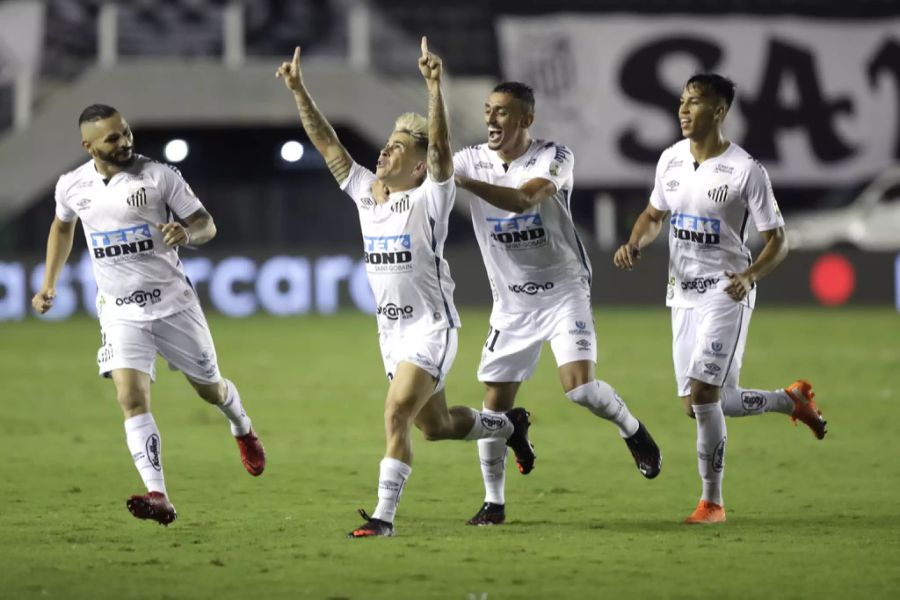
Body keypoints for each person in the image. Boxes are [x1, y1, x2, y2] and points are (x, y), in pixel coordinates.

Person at [276, 39, 536, 538]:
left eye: (397, 147)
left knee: (396, 412)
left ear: (418, 166)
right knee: (435, 427)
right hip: (391, 336)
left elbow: (440, 151)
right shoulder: (364, 195)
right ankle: (507, 426)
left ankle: (383, 519)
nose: (385, 149)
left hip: (430, 329)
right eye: (387, 143)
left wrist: (434, 86)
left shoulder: (430, 197)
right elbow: (328, 142)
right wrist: (298, 90)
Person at [32, 104, 266, 526]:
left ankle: (242, 426)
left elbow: (206, 224)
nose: (124, 142)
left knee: (210, 390)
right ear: (88, 146)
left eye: (125, 133)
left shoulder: (160, 176)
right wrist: (50, 282)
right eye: (112, 138)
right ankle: (158, 494)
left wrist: (187, 233)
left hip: (174, 305)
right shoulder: (72, 186)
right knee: (130, 397)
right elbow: (62, 226)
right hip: (119, 310)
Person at [614, 73, 827, 525]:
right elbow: (654, 214)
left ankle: (712, 503)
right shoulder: (670, 160)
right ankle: (789, 401)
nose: (684, 110)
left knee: (705, 395)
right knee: (702, 403)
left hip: (726, 291)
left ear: (719, 110)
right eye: (681, 102)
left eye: (695, 102)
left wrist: (750, 276)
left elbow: (778, 240)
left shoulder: (745, 170)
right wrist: (636, 241)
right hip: (681, 295)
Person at [453, 82, 662, 527]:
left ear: (526, 120)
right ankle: (494, 502)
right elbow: (432, 170)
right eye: (488, 111)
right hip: (510, 301)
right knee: (492, 409)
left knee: (581, 389)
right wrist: (434, 89)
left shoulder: (554, 156)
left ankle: (633, 430)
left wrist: (467, 184)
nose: (491, 119)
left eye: (503, 113)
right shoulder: (469, 158)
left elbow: (524, 199)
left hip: (564, 288)